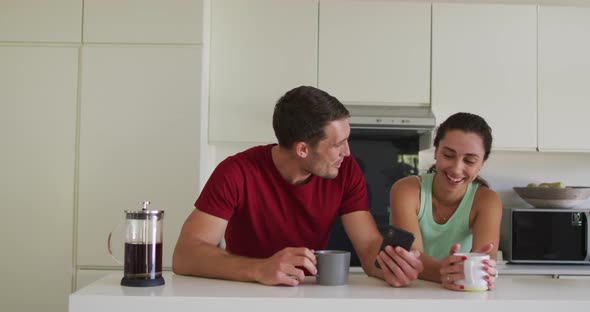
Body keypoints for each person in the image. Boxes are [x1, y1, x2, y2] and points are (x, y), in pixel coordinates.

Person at [173, 86, 423, 287]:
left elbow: (368, 246)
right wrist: (261, 269)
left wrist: (391, 266)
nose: (347, 153)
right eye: (338, 144)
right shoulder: (237, 172)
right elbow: (186, 255)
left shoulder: (346, 171)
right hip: (247, 292)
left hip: (311, 293)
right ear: (302, 149)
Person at [388, 112, 502, 291]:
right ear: (436, 152)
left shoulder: (487, 201)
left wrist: (484, 271)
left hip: (459, 295)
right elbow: (412, 258)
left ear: (482, 163)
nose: (457, 169)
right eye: (448, 155)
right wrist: (450, 272)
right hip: (411, 292)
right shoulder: (406, 190)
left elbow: (485, 264)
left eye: (470, 161)